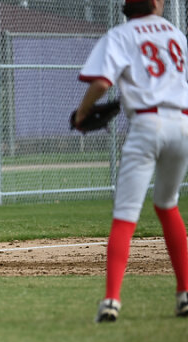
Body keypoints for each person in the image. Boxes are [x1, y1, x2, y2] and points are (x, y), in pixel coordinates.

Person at [73, 0, 188, 322]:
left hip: (147, 124)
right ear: (155, 4)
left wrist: (82, 113)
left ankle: (112, 300)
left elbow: (101, 82)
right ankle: (185, 294)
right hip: (182, 124)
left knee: (125, 214)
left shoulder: (121, 34)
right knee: (167, 204)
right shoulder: (176, 35)